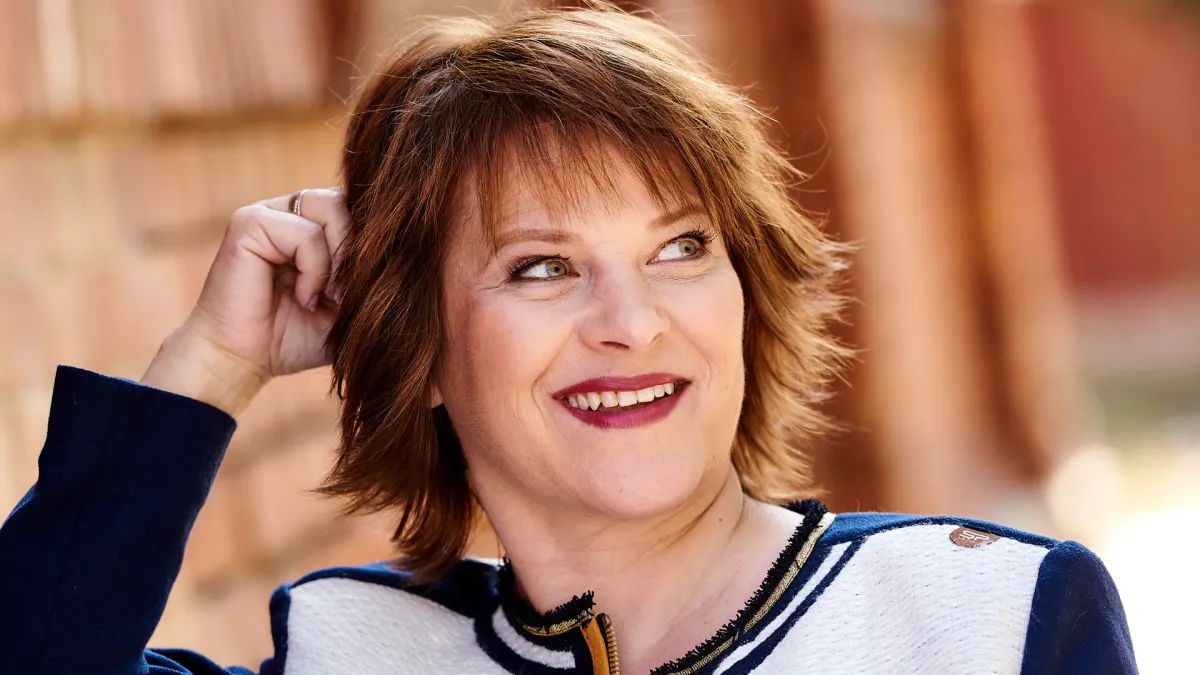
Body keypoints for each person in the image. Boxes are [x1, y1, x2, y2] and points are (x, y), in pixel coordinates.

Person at [0, 5, 1136, 675]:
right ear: (417, 341)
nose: (631, 324)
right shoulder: (358, 654)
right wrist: (208, 367)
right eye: (540, 267)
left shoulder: (989, 621)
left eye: (680, 248)